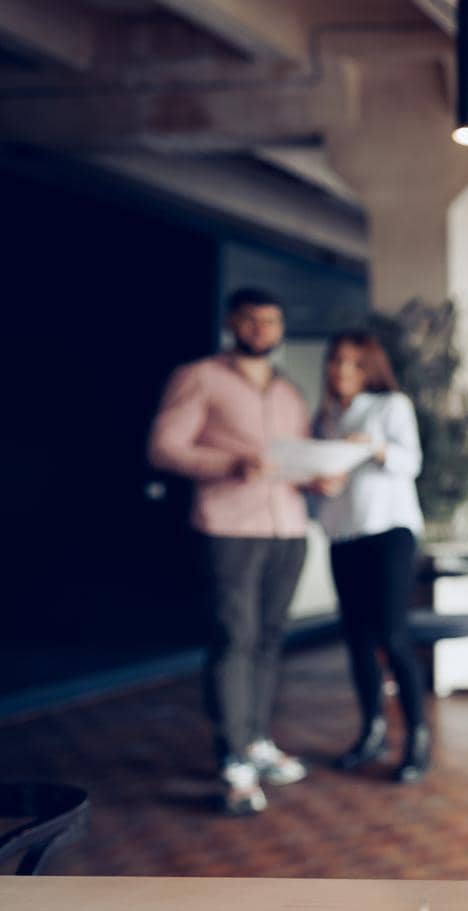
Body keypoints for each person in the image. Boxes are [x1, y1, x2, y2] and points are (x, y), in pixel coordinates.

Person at [148, 287, 313, 815]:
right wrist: (231, 465)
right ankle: (232, 755)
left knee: (267, 639)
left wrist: (318, 473)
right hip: (229, 526)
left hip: (287, 527)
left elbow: (299, 455)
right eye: (253, 320)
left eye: (272, 320)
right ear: (233, 324)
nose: (263, 329)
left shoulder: (289, 392)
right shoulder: (199, 377)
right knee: (232, 638)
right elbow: (165, 448)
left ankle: (257, 740)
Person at [312, 331, 430, 783]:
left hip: (389, 532)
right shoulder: (325, 416)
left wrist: (375, 447)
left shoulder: (390, 406)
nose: (342, 370)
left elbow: (411, 461)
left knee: (392, 635)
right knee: (357, 639)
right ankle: (372, 733)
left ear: (370, 368)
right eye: (337, 361)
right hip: (344, 534)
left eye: (354, 363)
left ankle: (417, 739)